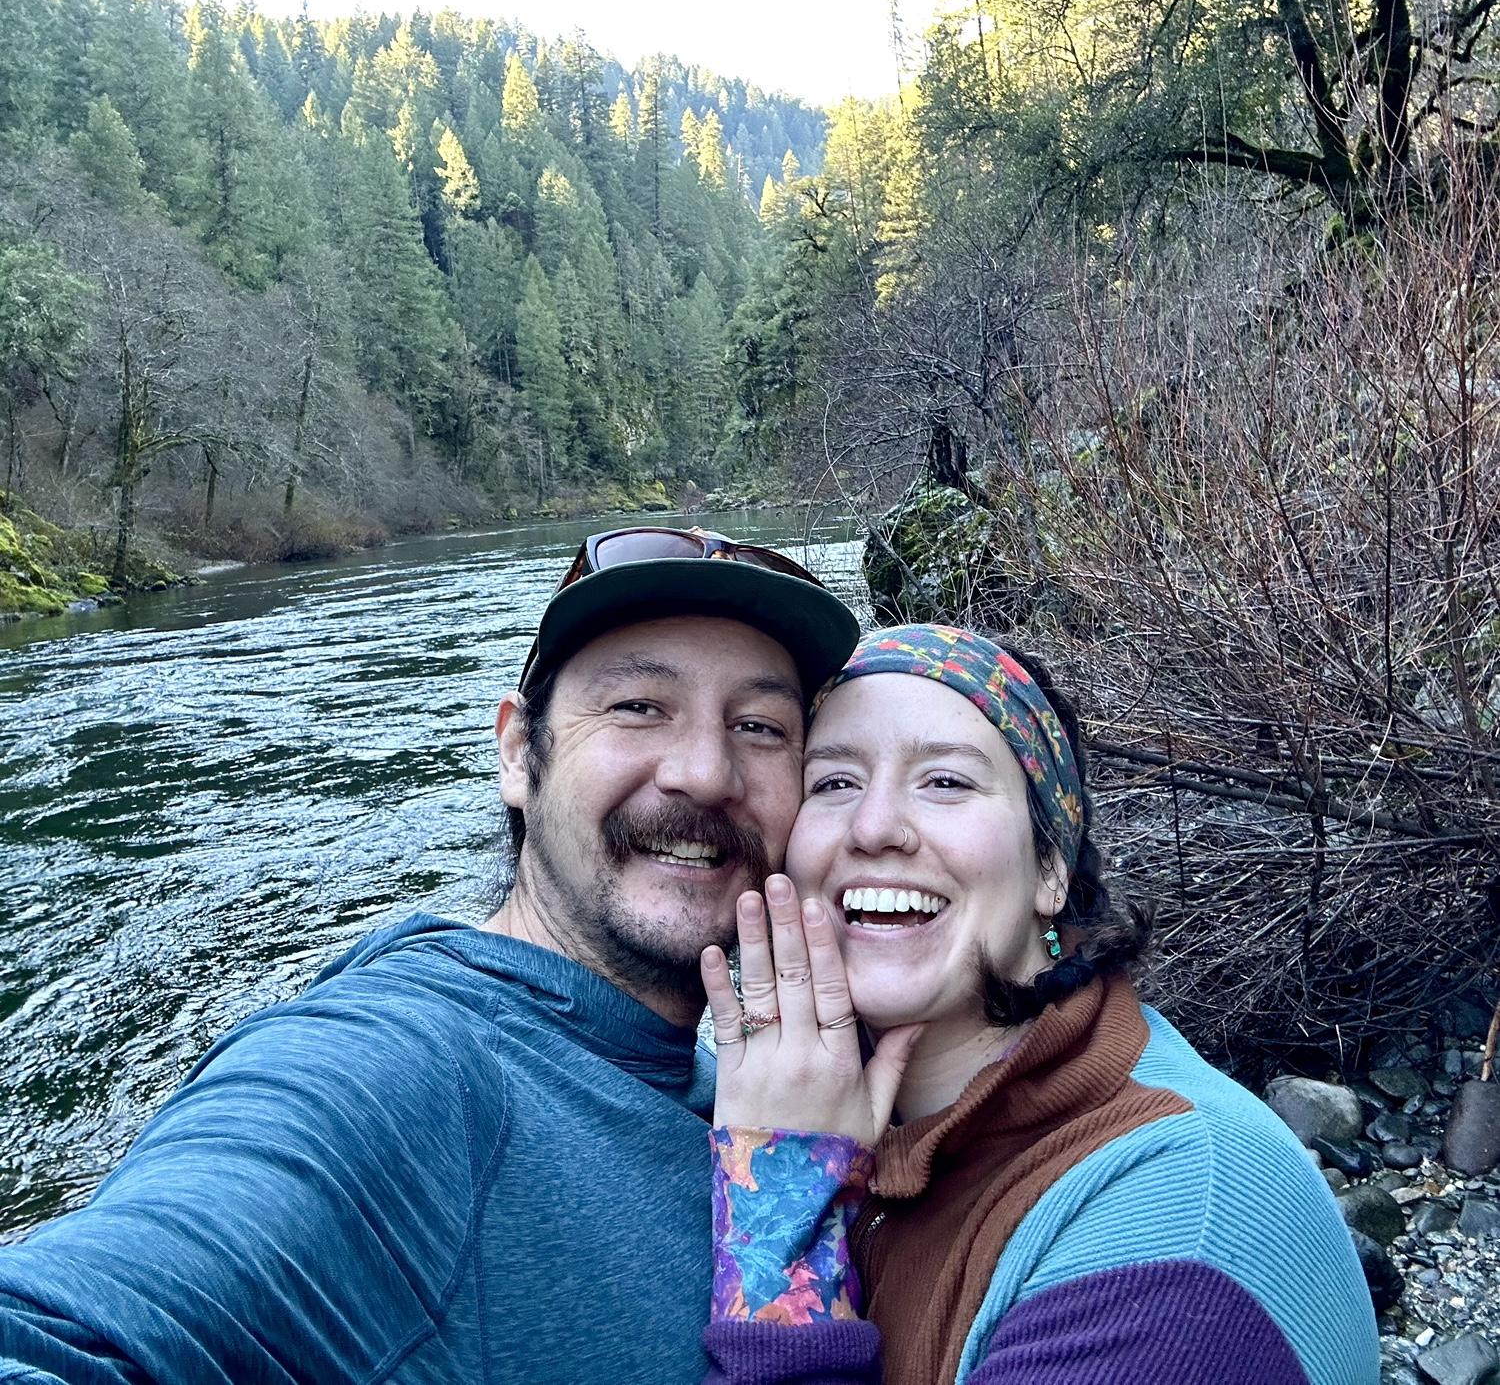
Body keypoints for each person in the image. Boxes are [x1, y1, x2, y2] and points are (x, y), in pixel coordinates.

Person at [0, 527, 859, 1384]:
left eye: (759, 726)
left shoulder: (762, 1084)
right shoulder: (393, 1070)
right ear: (519, 753)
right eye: (638, 706)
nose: (706, 773)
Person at [698, 623, 1380, 1385]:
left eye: (946, 781)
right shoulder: (827, 1112)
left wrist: (779, 1195)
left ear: (1050, 867)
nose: (874, 826)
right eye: (833, 784)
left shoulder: (1178, 1224)